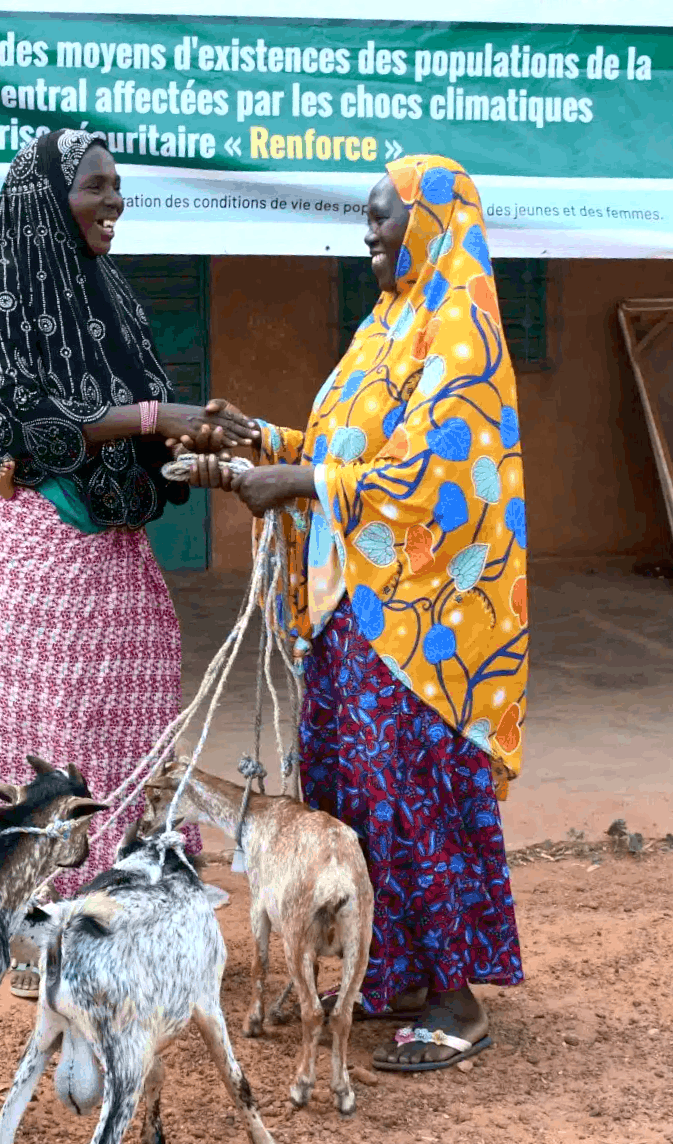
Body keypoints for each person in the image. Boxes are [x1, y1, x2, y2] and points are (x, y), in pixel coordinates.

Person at [175, 155, 526, 1070]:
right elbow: (348, 449)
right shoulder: (387, 326)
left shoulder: (460, 333)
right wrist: (263, 442)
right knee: (360, 801)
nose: (368, 232)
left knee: (412, 802)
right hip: (356, 620)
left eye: (382, 217)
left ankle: (454, 1000)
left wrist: (295, 479)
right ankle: (399, 971)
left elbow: (434, 476)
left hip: (423, 627)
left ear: (430, 220)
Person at [0, 129, 257, 995]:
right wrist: (160, 416)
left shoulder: (111, 290)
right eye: (96, 187)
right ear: (50, 196)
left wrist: (197, 441)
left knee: (130, 717)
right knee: (42, 736)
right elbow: (25, 429)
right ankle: (35, 918)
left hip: (109, 555)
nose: (114, 201)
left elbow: (138, 407)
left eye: (119, 186)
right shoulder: (2, 288)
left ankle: (123, 903)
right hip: (30, 553)